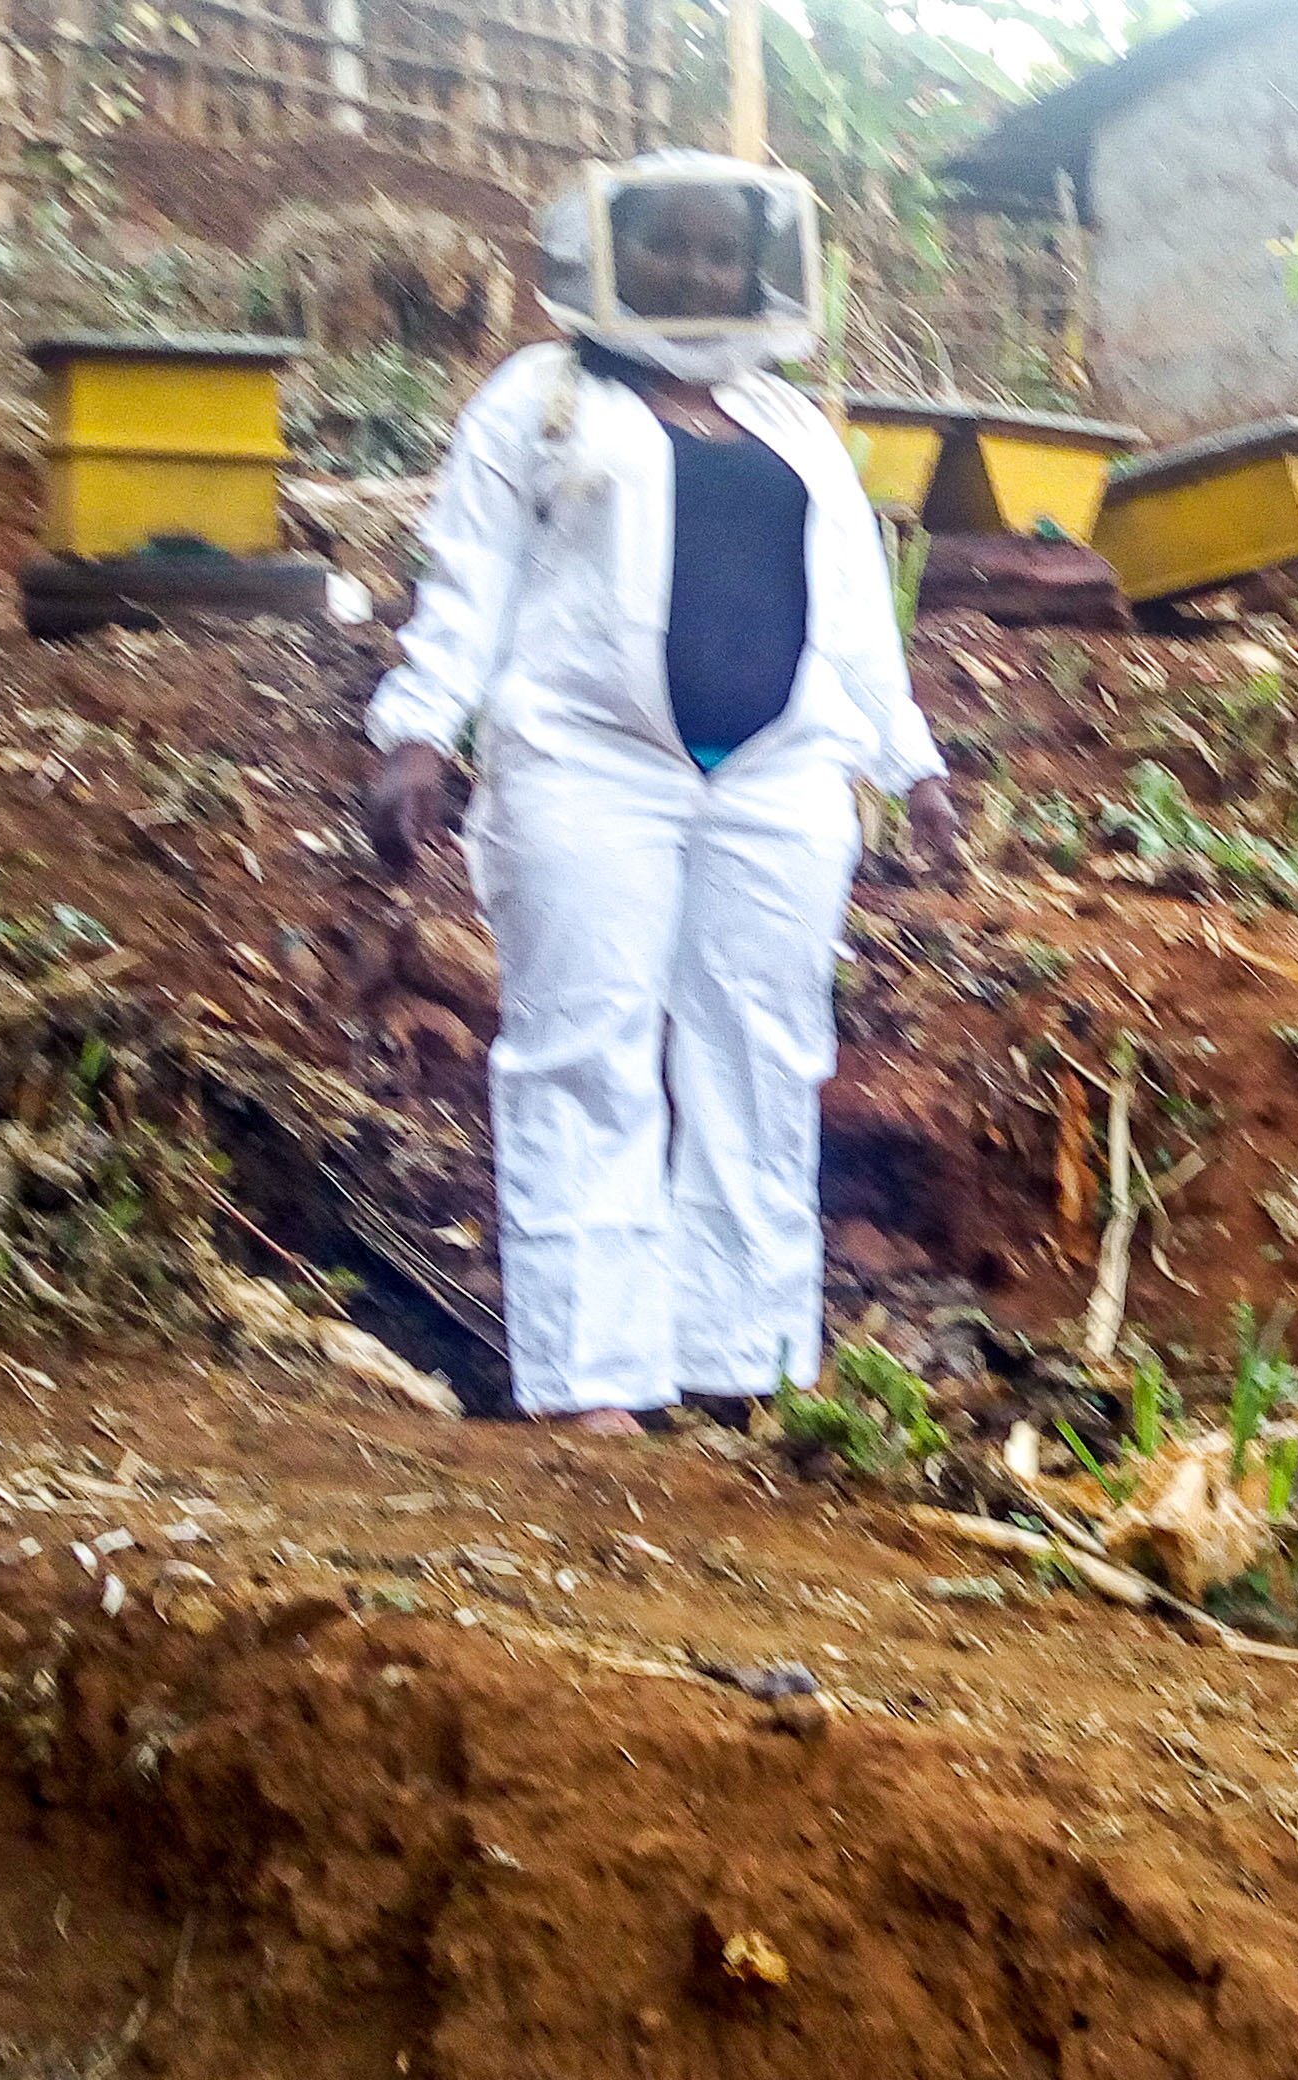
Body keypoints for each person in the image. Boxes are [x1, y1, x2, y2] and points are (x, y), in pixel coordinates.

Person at [361, 151, 959, 1434]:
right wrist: (416, 728)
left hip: (781, 778)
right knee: (586, 1051)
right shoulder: (542, 398)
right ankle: (593, 1384)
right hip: (588, 765)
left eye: (719, 250)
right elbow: (468, 580)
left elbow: (856, 618)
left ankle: (738, 1359)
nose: (696, 271)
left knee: (761, 1054)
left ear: (762, 267)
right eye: (670, 246)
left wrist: (911, 764)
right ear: (610, 255)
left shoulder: (792, 422)